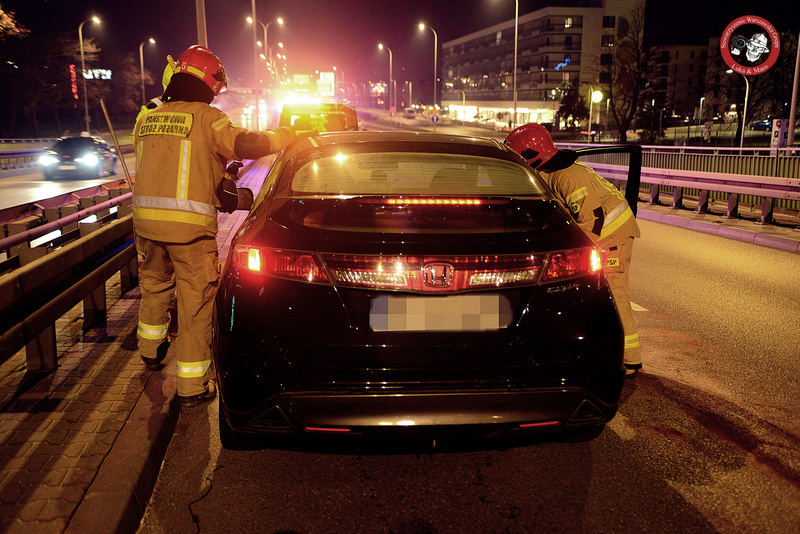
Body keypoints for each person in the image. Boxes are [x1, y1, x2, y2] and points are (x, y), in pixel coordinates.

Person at [132, 45, 299, 407]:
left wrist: (216, 175)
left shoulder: (148, 117)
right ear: (210, 82)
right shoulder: (208, 119)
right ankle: (192, 385)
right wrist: (286, 135)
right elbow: (247, 143)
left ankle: (149, 350)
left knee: (154, 286)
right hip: (189, 232)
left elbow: (167, 164)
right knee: (195, 304)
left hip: (145, 225)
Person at [504, 123, 642, 379]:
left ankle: (630, 360)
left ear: (531, 155)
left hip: (612, 238)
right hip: (603, 235)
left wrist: (574, 256)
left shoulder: (569, 176)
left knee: (616, 295)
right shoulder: (549, 171)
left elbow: (593, 220)